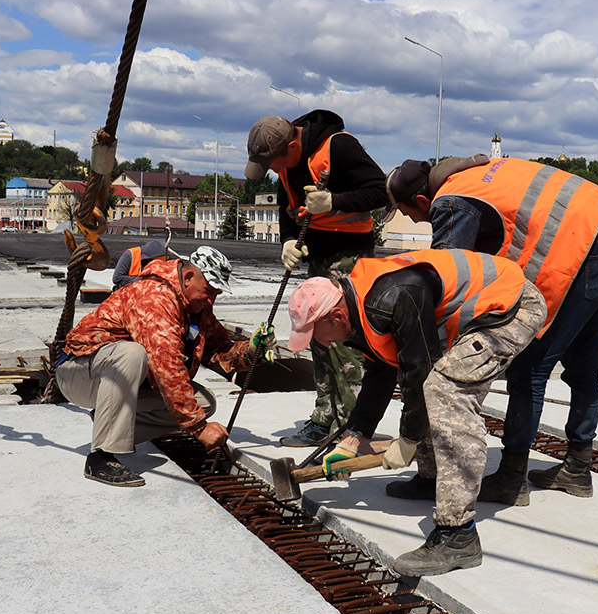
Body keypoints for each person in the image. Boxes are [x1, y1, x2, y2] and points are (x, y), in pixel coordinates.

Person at [382, 154, 598, 505]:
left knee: (529, 367)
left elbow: (448, 276)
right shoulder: (473, 175)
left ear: (422, 200)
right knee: (582, 361)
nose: (418, 221)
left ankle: (512, 479)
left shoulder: (451, 202)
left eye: (411, 215)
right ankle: (577, 466)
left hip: (581, 247)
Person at [287, 249, 547, 577]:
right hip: (491, 305)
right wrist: (352, 440)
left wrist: (408, 439)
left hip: (512, 305)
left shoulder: (393, 298)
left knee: (446, 389)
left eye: (315, 335)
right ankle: (433, 478)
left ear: (335, 317)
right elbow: (382, 371)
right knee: (429, 386)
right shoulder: (361, 307)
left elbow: (419, 371)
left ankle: (458, 535)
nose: (320, 345)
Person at [57, 246, 276, 487]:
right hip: (78, 372)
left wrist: (250, 350)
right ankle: (100, 458)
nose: (212, 299)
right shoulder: (156, 296)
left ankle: (107, 421)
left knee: (203, 401)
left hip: (110, 380)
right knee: (131, 354)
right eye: (209, 291)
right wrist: (199, 428)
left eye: (217, 294)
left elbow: (217, 350)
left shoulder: (196, 306)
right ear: (189, 277)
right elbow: (165, 364)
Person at [244, 110, 389, 447]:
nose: (276, 171)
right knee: (317, 337)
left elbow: (380, 191)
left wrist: (334, 201)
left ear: (293, 145)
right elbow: (286, 205)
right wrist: (287, 240)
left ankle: (352, 427)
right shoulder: (285, 163)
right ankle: (325, 419)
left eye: (276, 163)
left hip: (349, 256)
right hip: (317, 255)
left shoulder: (339, 147)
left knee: (343, 339)